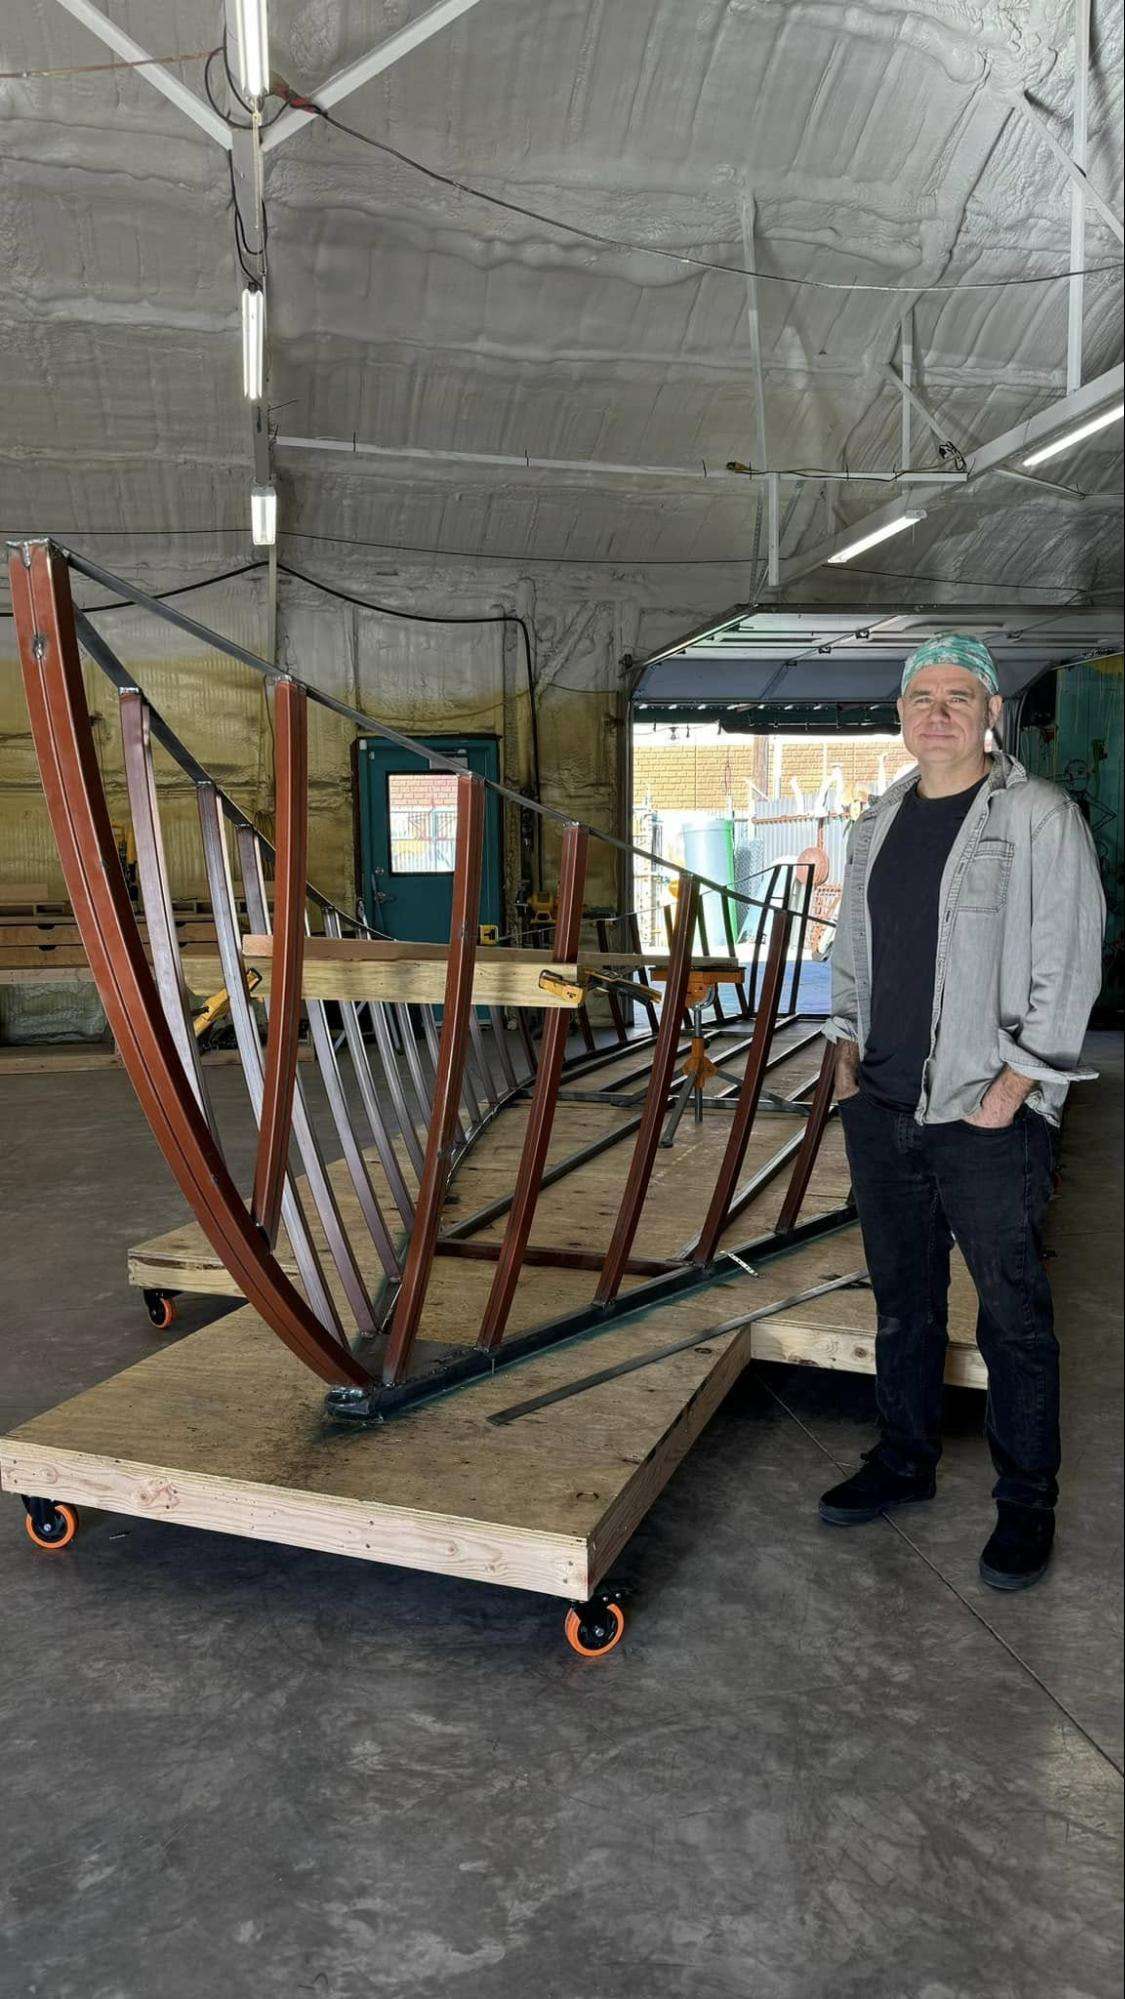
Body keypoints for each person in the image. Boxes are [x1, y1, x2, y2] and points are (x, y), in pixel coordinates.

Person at [821, 634, 1105, 1590]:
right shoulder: (879, 819)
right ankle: (904, 1460)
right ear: (900, 715)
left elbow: (1067, 964)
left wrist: (1013, 1090)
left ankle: (1026, 1505)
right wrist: (847, 1052)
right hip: (884, 1104)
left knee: (1012, 1319)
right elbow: (852, 948)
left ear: (990, 713)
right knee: (903, 1308)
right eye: (919, 697)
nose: (934, 711)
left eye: (956, 695)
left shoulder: (1037, 818)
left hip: (984, 1118)